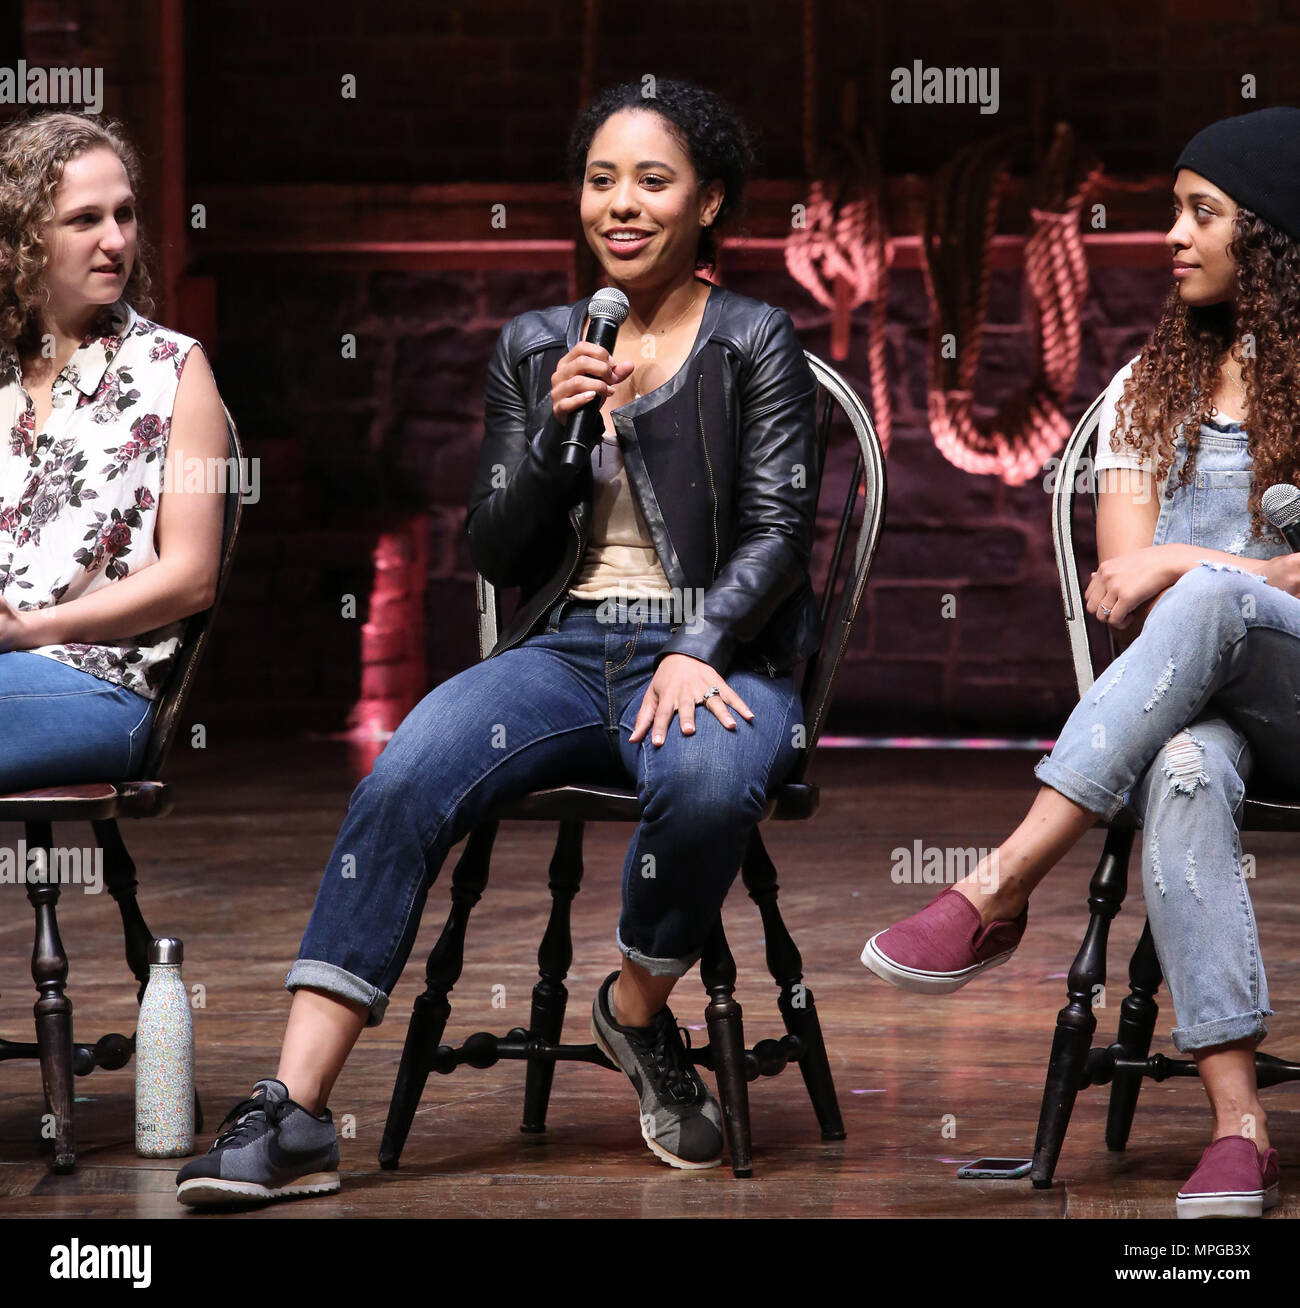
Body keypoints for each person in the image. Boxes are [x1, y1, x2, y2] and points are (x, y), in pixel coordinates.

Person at [177, 77, 822, 1205]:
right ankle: (295, 1113)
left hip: (713, 649)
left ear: (709, 202)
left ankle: (630, 1012)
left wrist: (698, 646)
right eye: (600, 180)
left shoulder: (754, 337)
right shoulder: (535, 347)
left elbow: (777, 536)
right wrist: (559, 437)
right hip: (565, 649)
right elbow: (495, 543)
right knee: (406, 775)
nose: (620, 205)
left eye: (653, 182)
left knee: (713, 785)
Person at [862, 107, 1300, 1219]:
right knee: (1184, 772)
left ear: (1275, 234)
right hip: (1205, 708)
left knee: (1205, 591)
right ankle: (1237, 1126)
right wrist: (1232, 570)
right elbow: (1117, 582)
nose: (1171, 235)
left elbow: (1172, 578)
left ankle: (1002, 883)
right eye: (1171, 211)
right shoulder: (1151, 387)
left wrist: (1192, 565)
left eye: (1203, 213)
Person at [0, 111, 227, 791]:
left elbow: (193, 578)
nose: (116, 240)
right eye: (84, 220)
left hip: (98, 683)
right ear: (22, 241)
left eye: (125, 214)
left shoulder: (174, 368)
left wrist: (31, 630)